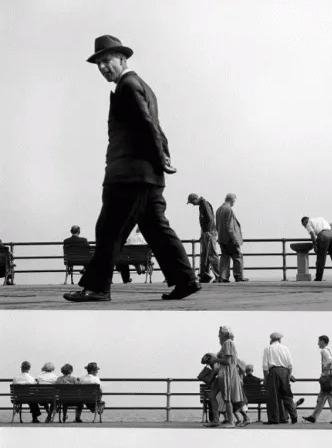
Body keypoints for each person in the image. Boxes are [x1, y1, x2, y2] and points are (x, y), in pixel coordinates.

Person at [63, 35, 199, 304]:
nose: (102, 67)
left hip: (129, 175)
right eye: (98, 63)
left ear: (122, 59)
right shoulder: (142, 86)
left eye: (106, 60)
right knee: (156, 229)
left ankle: (98, 288)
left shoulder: (128, 85)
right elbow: (156, 127)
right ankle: (185, 280)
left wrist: (160, 158)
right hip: (147, 176)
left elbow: (147, 125)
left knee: (109, 229)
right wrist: (163, 158)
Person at [209, 326, 247, 427]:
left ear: (224, 334)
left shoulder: (228, 343)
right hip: (221, 373)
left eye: (220, 334)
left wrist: (215, 360)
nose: (218, 336)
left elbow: (228, 362)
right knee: (212, 395)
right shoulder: (225, 344)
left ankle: (231, 421)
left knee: (227, 398)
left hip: (227, 373)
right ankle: (216, 420)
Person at [303, 335, 332, 424]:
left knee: (328, 397)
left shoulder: (323, 351)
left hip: (327, 377)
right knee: (323, 397)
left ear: (322, 341)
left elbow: (330, 362)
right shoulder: (331, 352)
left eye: (319, 341)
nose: (318, 343)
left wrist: (325, 371)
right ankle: (314, 417)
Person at [262, 332, 298, 425]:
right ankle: (293, 416)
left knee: (272, 396)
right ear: (280, 339)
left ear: (271, 339)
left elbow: (265, 366)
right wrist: (288, 375)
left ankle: (274, 419)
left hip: (273, 372)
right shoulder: (285, 348)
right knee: (287, 395)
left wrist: (266, 379)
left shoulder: (268, 348)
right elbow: (290, 365)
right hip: (285, 372)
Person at [187, 193, 220, 283]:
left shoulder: (204, 204)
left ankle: (219, 276)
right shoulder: (202, 204)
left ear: (195, 199)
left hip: (209, 232)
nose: (192, 204)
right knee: (204, 254)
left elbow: (210, 219)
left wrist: (208, 231)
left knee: (212, 254)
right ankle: (204, 275)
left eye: (192, 202)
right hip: (206, 232)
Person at [300, 216, 332, 281]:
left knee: (321, 257)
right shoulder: (320, 218)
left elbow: (312, 234)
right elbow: (331, 224)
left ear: (305, 221)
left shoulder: (308, 223)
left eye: (303, 225)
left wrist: (315, 245)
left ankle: (319, 277)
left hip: (323, 236)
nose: (304, 227)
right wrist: (331, 234)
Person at [216, 194, 247, 282]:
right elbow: (230, 227)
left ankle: (223, 277)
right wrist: (235, 239)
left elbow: (217, 225)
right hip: (230, 238)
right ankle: (238, 276)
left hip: (222, 238)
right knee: (237, 256)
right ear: (232, 200)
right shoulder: (228, 209)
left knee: (225, 257)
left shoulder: (219, 209)